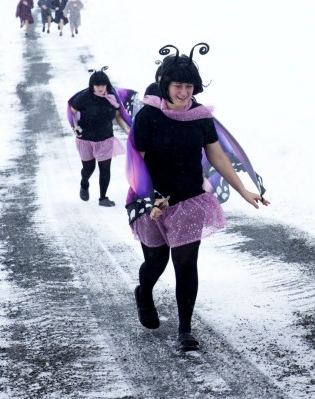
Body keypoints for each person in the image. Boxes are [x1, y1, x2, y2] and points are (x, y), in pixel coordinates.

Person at [125, 43, 268, 352]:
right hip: (152, 200)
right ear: (165, 84)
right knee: (156, 261)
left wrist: (243, 190)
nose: (184, 92)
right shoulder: (148, 116)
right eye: (178, 85)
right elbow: (137, 162)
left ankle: (185, 329)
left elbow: (217, 157)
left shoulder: (201, 117)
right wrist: (151, 200)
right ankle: (144, 292)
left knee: (186, 262)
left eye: (189, 86)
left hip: (189, 198)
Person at [68, 68, 133, 207]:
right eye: (97, 85)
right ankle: (84, 183)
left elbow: (117, 115)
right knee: (88, 169)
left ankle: (103, 198)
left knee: (105, 169)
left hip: (105, 138)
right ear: (92, 85)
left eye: (103, 85)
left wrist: (126, 129)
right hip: (85, 139)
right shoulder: (84, 97)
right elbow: (71, 112)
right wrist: (75, 127)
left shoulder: (112, 98)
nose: (100, 88)